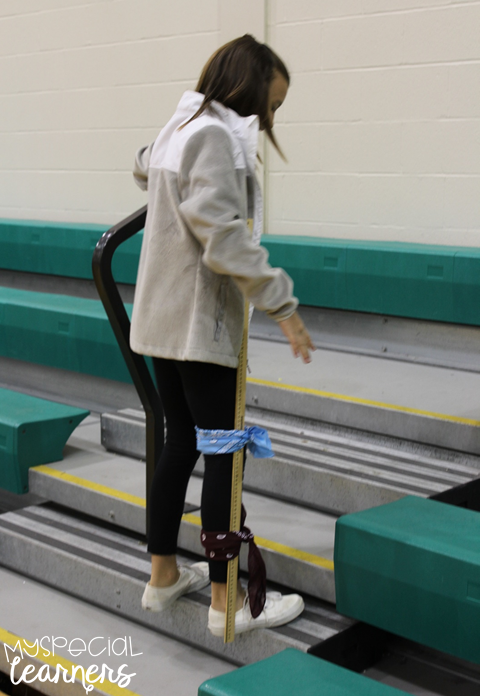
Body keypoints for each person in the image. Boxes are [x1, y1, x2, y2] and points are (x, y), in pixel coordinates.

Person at [129, 34, 315, 637]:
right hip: (197, 326)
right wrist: (282, 304)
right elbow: (223, 236)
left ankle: (162, 577)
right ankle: (225, 602)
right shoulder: (214, 137)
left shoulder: (181, 126)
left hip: (160, 322)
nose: (269, 119)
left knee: (181, 442)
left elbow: (142, 164)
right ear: (246, 90)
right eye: (270, 105)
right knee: (223, 454)